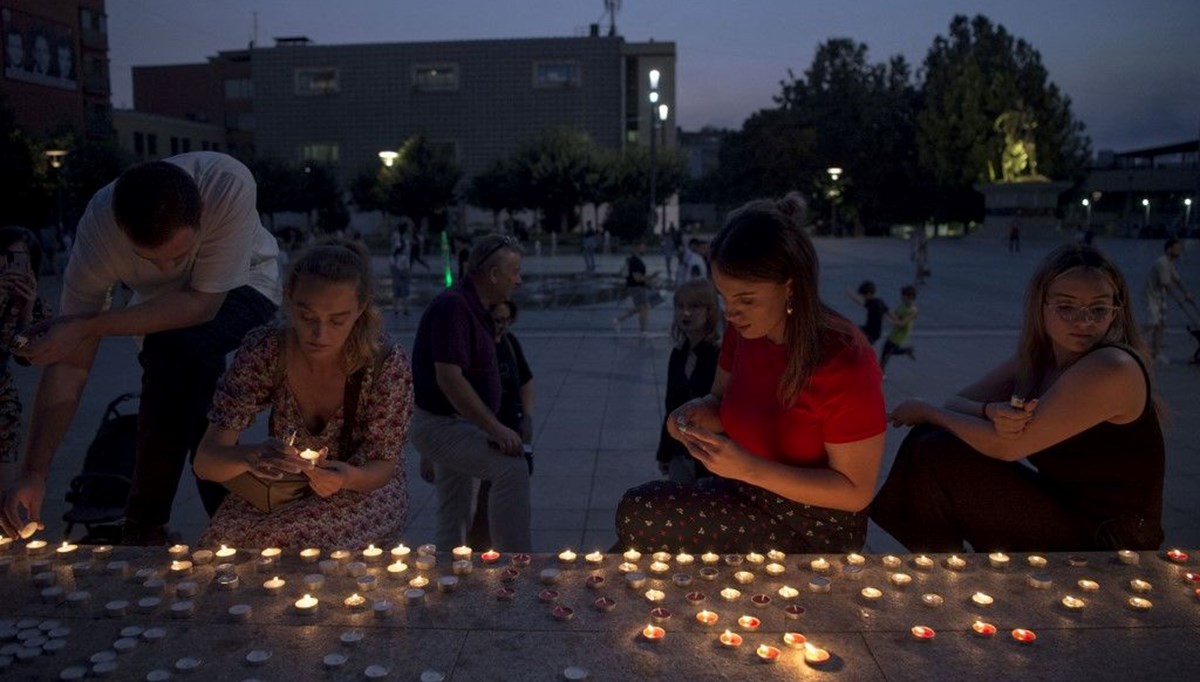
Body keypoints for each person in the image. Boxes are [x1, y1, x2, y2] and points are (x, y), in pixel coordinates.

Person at [1, 152, 280, 545]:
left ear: (202, 216)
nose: (168, 271)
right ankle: (222, 523)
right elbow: (70, 363)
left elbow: (203, 305)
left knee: (174, 349)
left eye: (181, 256)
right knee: (189, 382)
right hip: (165, 324)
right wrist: (35, 472)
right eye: (152, 262)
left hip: (246, 285)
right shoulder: (99, 231)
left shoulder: (227, 184)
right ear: (122, 232)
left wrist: (87, 326)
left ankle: (146, 525)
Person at [616, 193, 886, 553]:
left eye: (746, 299)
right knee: (636, 511)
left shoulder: (843, 358)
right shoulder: (743, 332)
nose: (731, 313)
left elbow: (855, 491)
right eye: (725, 298)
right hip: (742, 490)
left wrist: (748, 469)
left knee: (640, 515)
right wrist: (690, 415)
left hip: (815, 521)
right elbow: (719, 401)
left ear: (790, 285)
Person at [872, 244, 1165, 551]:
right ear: (1041, 305)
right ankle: (943, 567)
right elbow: (957, 403)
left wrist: (926, 411)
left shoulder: (1112, 368)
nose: (1083, 321)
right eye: (1066, 307)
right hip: (1063, 509)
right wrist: (988, 411)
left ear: (1116, 310)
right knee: (930, 443)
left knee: (934, 445)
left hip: (1109, 541)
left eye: (1098, 309)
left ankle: (942, 570)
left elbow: (1006, 447)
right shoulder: (1038, 359)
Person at [193, 242, 412, 547]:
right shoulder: (267, 352)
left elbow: (382, 467)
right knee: (219, 541)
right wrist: (251, 457)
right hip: (287, 487)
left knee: (287, 539)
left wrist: (344, 476)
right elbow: (206, 463)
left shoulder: (384, 362)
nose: (319, 335)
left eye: (337, 320)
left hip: (364, 486)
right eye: (307, 317)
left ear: (360, 310)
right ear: (290, 298)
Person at [409, 234, 531, 551]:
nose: (518, 280)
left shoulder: (473, 306)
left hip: (455, 424)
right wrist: (496, 429)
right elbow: (449, 378)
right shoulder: (455, 307)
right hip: (444, 425)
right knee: (511, 469)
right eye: (515, 272)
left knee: (455, 514)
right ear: (493, 274)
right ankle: (517, 563)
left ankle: (449, 579)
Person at [467, 299, 535, 547]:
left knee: (512, 496)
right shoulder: (474, 348)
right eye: (497, 320)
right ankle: (480, 549)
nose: (502, 326)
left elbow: (526, 381)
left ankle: (508, 548)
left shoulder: (509, 342)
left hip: (513, 434)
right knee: (484, 500)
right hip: (485, 434)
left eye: (507, 320)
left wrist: (527, 418)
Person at [655, 279, 721, 483]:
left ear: (710, 311)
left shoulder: (718, 355)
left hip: (711, 456)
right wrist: (664, 451)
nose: (685, 313)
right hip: (680, 453)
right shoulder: (678, 354)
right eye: (680, 306)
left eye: (694, 306)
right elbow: (670, 405)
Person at [0, 228, 49, 464]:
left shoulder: (31, 304)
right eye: (9, 258)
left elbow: (23, 357)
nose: (14, 268)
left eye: (22, 261)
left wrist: (26, 316)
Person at [1144, 238, 1192, 362]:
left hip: (1160, 297)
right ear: (1169, 249)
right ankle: (1139, 348)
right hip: (1151, 297)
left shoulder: (1170, 263)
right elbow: (1166, 284)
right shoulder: (1162, 263)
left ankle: (1157, 353)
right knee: (1152, 324)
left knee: (1160, 325)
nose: (1179, 251)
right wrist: (1179, 299)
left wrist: (1187, 293)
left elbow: (1177, 280)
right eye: (1177, 248)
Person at [614, 240, 653, 336]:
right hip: (636, 287)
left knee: (640, 307)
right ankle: (643, 331)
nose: (645, 249)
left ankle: (619, 319)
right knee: (643, 307)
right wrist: (649, 278)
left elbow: (639, 276)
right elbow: (637, 278)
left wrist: (648, 280)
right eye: (643, 247)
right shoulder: (635, 261)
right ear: (637, 248)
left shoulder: (636, 260)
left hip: (637, 286)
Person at [879, 285, 918, 373]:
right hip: (895, 332)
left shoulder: (913, 311)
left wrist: (887, 319)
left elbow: (902, 324)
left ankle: (907, 350)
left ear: (910, 297)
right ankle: (881, 371)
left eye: (903, 297)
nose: (902, 299)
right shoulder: (902, 305)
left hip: (901, 334)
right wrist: (885, 311)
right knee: (885, 352)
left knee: (890, 352)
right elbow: (895, 315)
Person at [846, 280, 888, 346]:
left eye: (864, 295)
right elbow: (861, 303)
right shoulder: (871, 302)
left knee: (861, 347)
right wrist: (851, 295)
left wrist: (896, 323)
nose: (863, 297)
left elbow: (884, 315)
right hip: (868, 329)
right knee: (852, 331)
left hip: (873, 334)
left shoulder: (877, 304)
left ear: (869, 293)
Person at [389, 244, 410, 317]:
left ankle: (396, 310)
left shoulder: (392, 258)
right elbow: (407, 269)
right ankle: (405, 310)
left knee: (396, 295)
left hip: (395, 278)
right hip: (403, 278)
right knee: (405, 295)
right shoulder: (404, 258)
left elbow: (391, 269)